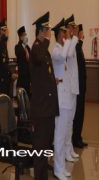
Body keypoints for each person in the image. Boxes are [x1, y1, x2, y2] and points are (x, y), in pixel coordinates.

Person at [30, 12, 59, 180]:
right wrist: (45, 40)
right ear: (41, 31)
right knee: (40, 146)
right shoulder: (36, 48)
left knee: (46, 144)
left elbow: (45, 72)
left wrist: (52, 80)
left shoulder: (43, 49)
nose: (50, 33)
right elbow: (39, 59)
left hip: (47, 106)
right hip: (41, 107)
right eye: (47, 30)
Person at [51, 18, 75, 180]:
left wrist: (72, 39)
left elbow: (70, 53)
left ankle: (61, 166)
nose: (66, 34)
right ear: (59, 34)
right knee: (59, 135)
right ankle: (57, 168)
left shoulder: (63, 49)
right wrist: (70, 39)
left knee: (65, 130)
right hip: (60, 98)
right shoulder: (56, 50)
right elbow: (64, 54)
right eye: (64, 32)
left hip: (66, 98)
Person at [64, 15, 80, 162]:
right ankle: (65, 150)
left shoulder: (72, 43)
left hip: (73, 88)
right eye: (72, 28)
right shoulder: (66, 43)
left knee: (72, 120)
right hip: (67, 90)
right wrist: (74, 38)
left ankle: (70, 148)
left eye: (74, 28)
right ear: (67, 29)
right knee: (67, 122)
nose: (74, 30)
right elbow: (68, 54)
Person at [72, 24, 88, 148]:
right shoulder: (76, 47)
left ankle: (78, 137)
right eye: (82, 32)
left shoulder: (79, 46)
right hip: (78, 86)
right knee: (78, 113)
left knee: (80, 112)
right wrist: (78, 39)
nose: (83, 35)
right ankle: (76, 138)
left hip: (81, 86)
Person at [15, 26, 31, 97]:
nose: (26, 36)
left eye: (25, 35)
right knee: (22, 98)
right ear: (21, 36)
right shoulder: (17, 47)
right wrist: (23, 44)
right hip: (22, 76)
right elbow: (19, 53)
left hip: (28, 76)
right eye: (24, 35)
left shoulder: (27, 47)